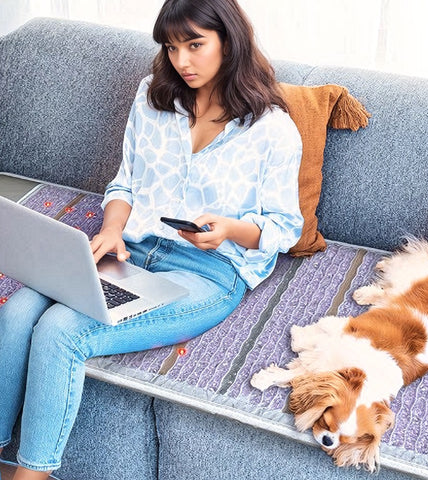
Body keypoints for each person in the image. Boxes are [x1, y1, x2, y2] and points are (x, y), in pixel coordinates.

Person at [0, 0, 303, 478]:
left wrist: (229, 229)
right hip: (134, 252)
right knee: (19, 312)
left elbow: (286, 229)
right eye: (172, 46)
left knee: (62, 333)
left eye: (196, 44)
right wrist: (111, 231)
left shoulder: (272, 130)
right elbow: (125, 183)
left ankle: (31, 474)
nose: (182, 60)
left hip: (209, 272)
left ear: (230, 39)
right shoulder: (153, 96)